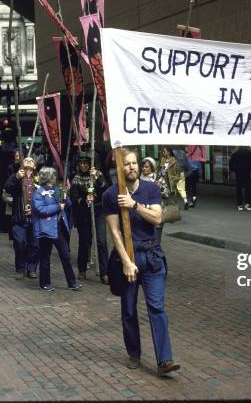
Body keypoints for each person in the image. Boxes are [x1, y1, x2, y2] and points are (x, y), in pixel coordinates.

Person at [103, 148, 180, 376]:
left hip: (153, 257)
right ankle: (134, 353)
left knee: (157, 307)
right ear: (119, 167)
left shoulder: (150, 189)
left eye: (134, 163)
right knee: (128, 309)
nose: (132, 167)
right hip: (129, 258)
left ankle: (165, 360)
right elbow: (115, 232)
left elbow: (157, 217)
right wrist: (126, 261)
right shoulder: (110, 194)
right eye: (126, 164)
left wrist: (134, 205)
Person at [31, 167, 82, 292]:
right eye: (54, 176)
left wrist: (65, 196)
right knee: (45, 257)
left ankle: (72, 282)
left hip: (58, 228)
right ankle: (45, 283)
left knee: (65, 255)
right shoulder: (38, 192)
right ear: (49, 178)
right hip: (46, 229)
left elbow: (68, 204)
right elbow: (40, 210)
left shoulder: (57, 190)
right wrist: (57, 206)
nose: (55, 178)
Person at [70, 153, 109, 284]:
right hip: (84, 213)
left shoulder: (98, 174)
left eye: (85, 163)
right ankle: (82, 270)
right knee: (84, 241)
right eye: (81, 163)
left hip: (99, 211)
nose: (83, 165)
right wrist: (84, 199)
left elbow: (105, 188)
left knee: (101, 241)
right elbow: (74, 197)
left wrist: (96, 178)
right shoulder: (76, 178)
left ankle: (105, 272)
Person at [4, 157, 40, 279]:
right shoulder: (16, 176)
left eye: (31, 160)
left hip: (35, 218)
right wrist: (16, 177)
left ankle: (32, 268)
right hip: (19, 217)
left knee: (35, 245)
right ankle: (20, 268)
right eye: (26, 160)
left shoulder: (39, 179)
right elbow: (7, 187)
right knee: (20, 243)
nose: (29, 161)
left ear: (35, 165)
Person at [140, 157, 170, 243]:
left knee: (156, 242)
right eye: (143, 167)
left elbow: (166, 193)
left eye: (146, 167)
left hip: (156, 213)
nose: (144, 169)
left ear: (152, 167)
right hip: (143, 214)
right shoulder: (138, 179)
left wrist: (158, 187)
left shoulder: (158, 178)